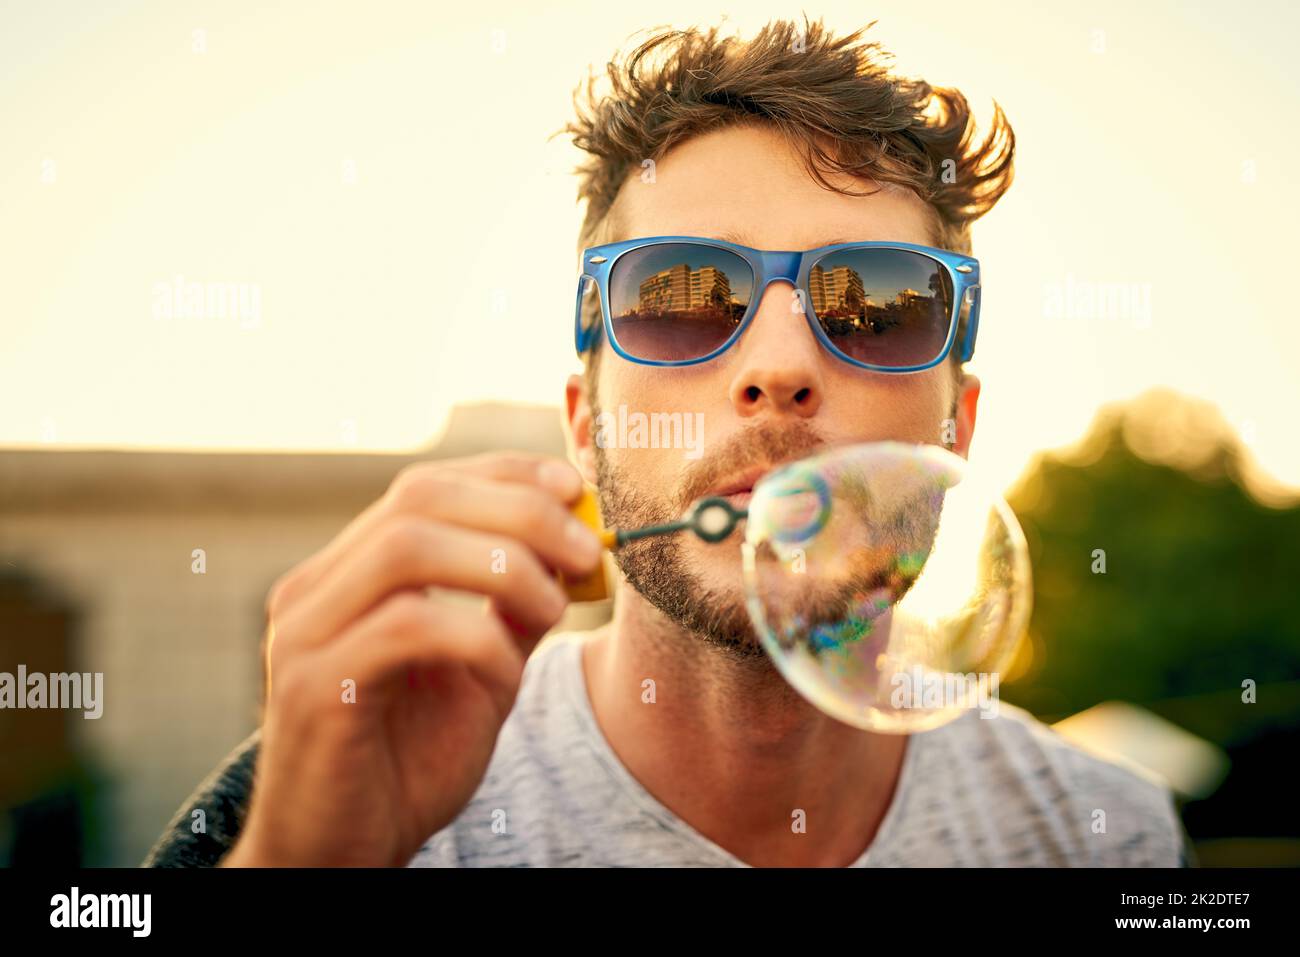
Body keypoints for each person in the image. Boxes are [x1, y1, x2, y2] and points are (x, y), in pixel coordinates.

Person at [146, 18, 1189, 868]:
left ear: (955, 426)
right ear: (586, 422)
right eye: (682, 297)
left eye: (872, 306)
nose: (777, 368)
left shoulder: (1106, 840)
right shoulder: (331, 805)